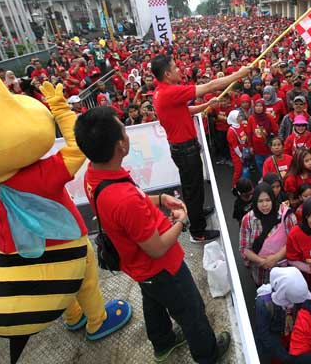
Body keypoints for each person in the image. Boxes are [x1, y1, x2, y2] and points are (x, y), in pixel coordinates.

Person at [74, 107, 230, 363]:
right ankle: (208, 354)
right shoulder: (124, 200)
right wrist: (181, 222)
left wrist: (158, 199)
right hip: (161, 267)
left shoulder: (94, 174)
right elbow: (156, 248)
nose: (126, 133)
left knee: (153, 301)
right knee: (192, 311)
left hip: (138, 266)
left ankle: (163, 342)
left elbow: (126, 204)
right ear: (120, 146)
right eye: (123, 130)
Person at [151, 54, 250, 242]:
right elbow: (211, 86)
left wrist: (206, 105)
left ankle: (197, 213)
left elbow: (184, 111)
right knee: (193, 189)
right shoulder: (170, 92)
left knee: (192, 187)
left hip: (183, 148)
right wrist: (238, 74)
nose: (179, 70)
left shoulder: (161, 92)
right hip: (184, 149)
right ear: (167, 73)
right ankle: (198, 231)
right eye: (175, 67)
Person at [240, 182, 295, 286]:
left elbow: (293, 241)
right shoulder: (247, 219)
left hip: (283, 269)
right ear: (255, 201)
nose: (264, 205)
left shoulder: (286, 215)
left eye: (268, 200)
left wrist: (275, 258)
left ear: (273, 200)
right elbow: (244, 248)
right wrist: (262, 262)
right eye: (260, 201)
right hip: (260, 273)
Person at [255, 267, 311, 363]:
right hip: (274, 341)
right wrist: (284, 356)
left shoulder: (294, 295)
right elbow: (264, 334)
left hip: (287, 334)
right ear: (283, 294)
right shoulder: (264, 304)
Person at [249, 99, 279, 171]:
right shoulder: (251, 118)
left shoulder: (269, 117)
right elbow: (249, 133)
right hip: (257, 148)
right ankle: (263, 177)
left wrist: (275, 143)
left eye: (260, 106)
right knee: (259, 163)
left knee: (270, 164)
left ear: (264, 107)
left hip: (267, 146)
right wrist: (250, 146)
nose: (258, 108)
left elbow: (275, 130)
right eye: (256, 106)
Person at [227, 110, 250, 191]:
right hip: (237, 154)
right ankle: (234, 186)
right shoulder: (231, 131)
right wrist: (240, 156)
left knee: (245, 168)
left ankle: (243, 184)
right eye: (239, 117)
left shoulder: (240, 125)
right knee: (238, 170)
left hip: (243, 151)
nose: (241, 118)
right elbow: (235, 147)